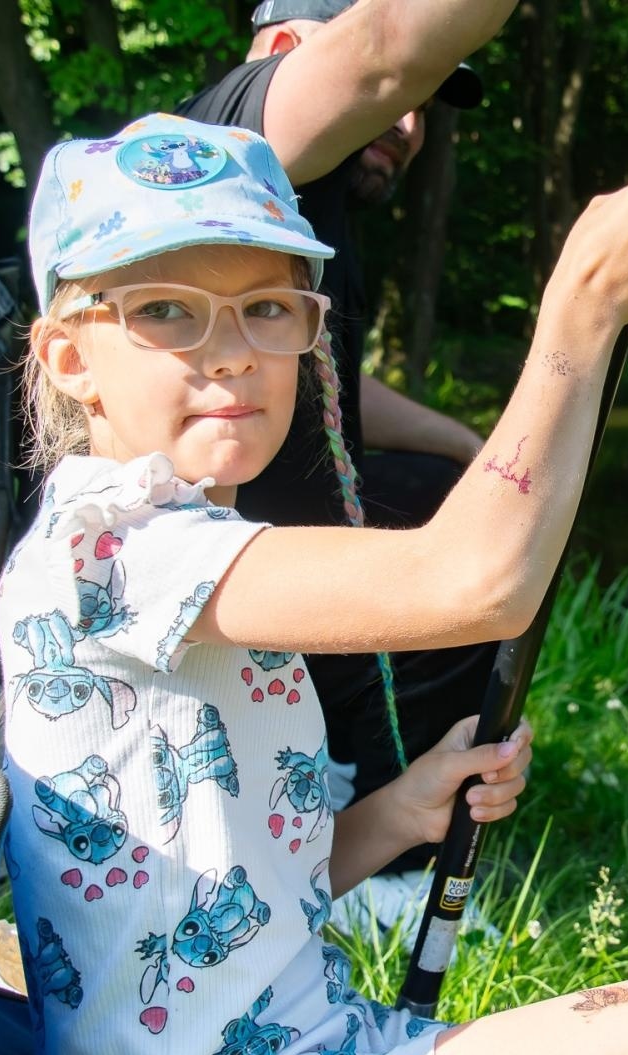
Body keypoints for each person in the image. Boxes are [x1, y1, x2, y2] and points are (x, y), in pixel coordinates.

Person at [1, 113, 628, 1055]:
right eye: (167, 310)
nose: (229, 350)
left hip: (326, 1039)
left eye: (268, 307)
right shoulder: (116, 547)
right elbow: (480, 580)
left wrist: (399, 810)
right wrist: (582, 313)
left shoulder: (184, 548)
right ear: (69, 357)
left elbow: (232, 905)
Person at [176, 0, 506, 908]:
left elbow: (334, 382)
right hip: (217, 598)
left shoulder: (314, 207)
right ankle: (379, 880)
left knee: (451, 493)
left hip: (285, 557)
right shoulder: (242, 138)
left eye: (428, 101)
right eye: (401, 93)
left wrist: (467, 446)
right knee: (473, 564)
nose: (409, 122)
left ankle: (380, 819)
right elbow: (382, 55)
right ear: (285, 51)